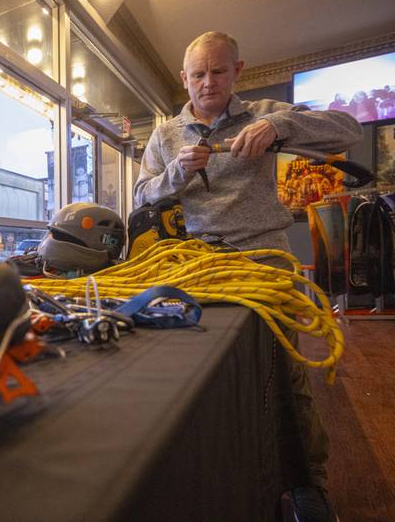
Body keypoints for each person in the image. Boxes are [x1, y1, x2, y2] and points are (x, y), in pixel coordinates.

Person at [134, 31, 362, 521]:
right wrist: (177, 173)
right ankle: (211, 473)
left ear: (238, 71)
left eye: (218, 71)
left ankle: (307, 486)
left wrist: (280, 127)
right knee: (192, 366)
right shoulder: (165, 135)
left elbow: (349, 131)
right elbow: (141, 197)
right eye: (198, 74)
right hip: (194, 262)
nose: (208, 83)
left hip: (263, 256)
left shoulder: (262, 114)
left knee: (281, 367)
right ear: (184, 79)